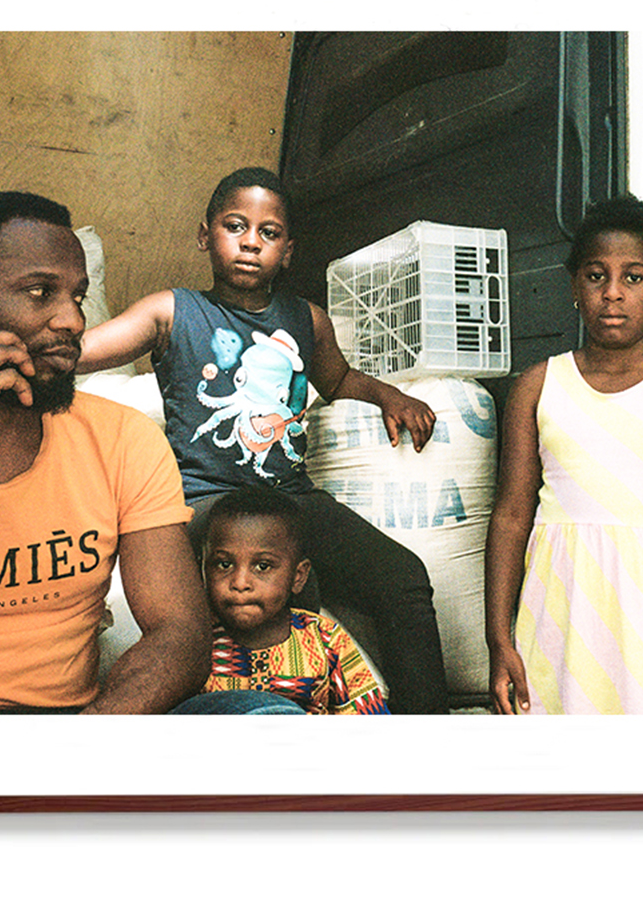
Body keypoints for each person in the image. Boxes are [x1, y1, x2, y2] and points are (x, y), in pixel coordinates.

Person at [76, 167, 450, 714]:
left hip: (291, 497)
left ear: (288, 250)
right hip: (207, 501)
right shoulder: (172, 311)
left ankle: (430, 737)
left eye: (269, 233)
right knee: (268, 595)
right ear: (205, 235)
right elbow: (84, 350)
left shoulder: (307, 320)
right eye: (235, 226)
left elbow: (338, 380)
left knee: (405, 578)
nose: (251, 242)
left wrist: (388, 395)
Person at [0, 191, 299, 715]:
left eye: (78, 297)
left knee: (266, 717)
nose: (72, 320)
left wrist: (89, 737)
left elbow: (181, 634)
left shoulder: (122, 438)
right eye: (40, 292)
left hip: (79, 725)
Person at [485, 194, 643, 715]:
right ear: (576, 288)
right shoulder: (540, 384)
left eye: (633, 277)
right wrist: (498, 639)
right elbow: (510, 516)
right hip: (559, 608)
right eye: (596, 276)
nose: (612, 292)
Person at [195, 488, 390, 715]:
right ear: (203, 569)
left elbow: (369, 722)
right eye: (224, 565)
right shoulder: (198, 640)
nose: (240, 583)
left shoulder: (326, 640)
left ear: (298, 576)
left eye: (263, 566)